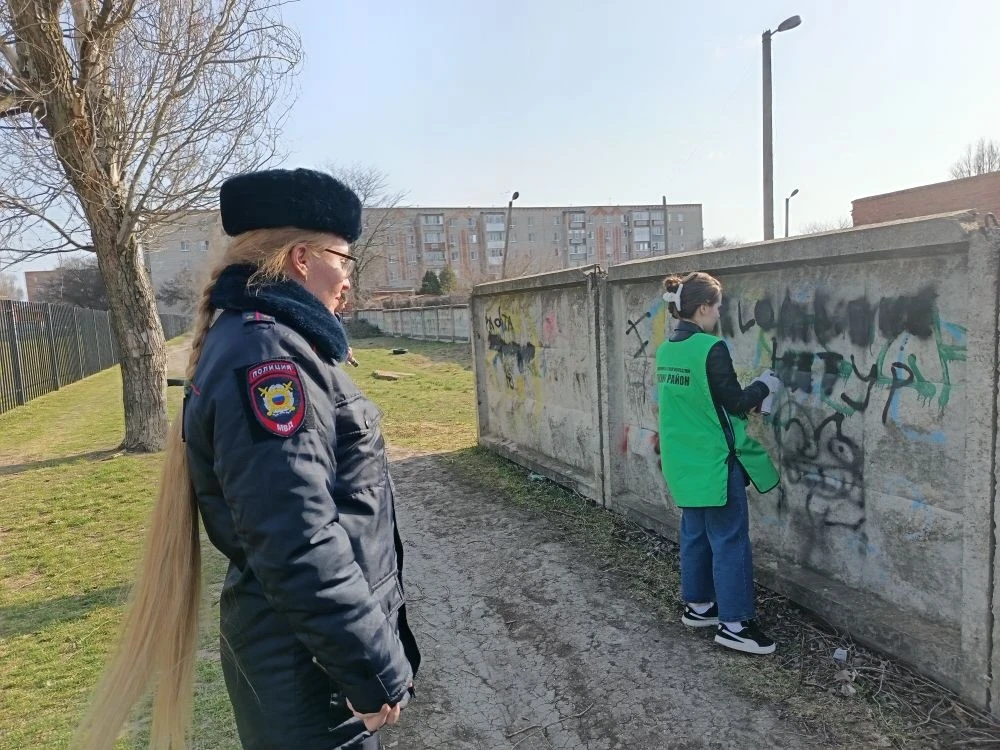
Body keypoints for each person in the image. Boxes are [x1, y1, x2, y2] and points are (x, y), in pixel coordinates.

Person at [76, 169, 420, 750]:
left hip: (303, 660)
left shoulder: (263, 340)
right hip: (311, 677)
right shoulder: (268, 358)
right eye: (345, 259)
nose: (348, 281)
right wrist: (371, 668)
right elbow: (296, 539)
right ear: (302, 259)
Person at [654, 271, 783, 655]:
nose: (719, 314)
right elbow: (735, 402)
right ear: (702, 308)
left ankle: (698, 606)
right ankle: (736, 625)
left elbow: (696, 403)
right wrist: (765, 385)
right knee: (729, 540)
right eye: (718, 307)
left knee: (695, 533)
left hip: (683, 463)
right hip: (715, 462)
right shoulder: (711, 349)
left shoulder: (665, 350)